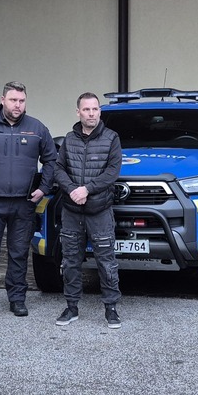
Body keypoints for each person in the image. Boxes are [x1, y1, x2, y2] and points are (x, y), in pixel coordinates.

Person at [0, 81, 57, 320]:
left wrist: (43, 189)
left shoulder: (37, 128)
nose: (18, 105)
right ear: (3, 99)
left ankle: (17, 299)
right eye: (13, 100)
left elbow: (52, 160)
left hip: (24, 203)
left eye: (22, 101)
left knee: (18, 253)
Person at [53, 92, 123, 328]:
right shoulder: (69, 140)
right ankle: (71, 307)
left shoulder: (111, 138)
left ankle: (111, 309)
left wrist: (87, 189)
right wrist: (72, 189)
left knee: (106, 262)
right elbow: (58, 168)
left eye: (95, 109)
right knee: (70, 261)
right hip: (72, 211)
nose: (91, 113)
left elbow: (112, 172)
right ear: (78, 112)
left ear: (99, 111)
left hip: (100, 211)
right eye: (86, 109)